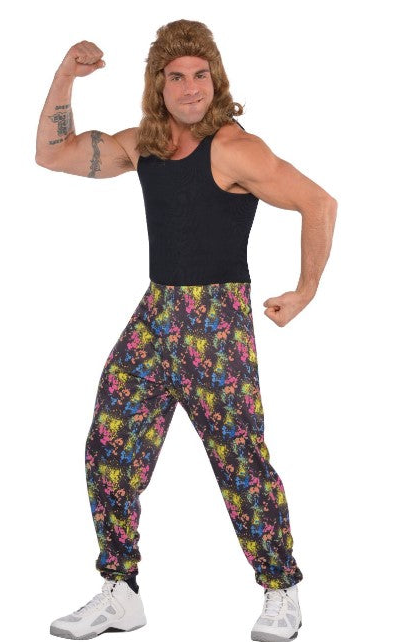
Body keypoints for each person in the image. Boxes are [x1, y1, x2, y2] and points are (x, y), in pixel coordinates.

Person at [36, 19, 337, 642]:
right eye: (176, 76)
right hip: (156, 317)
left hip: (216, 325)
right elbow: (52, 153)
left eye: (200, 75)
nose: (191, 87)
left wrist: (305, 290)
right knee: (109, 447)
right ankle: (120, 592)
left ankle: (281, 590)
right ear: (159, 84)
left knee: (241, 461)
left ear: (215, 79)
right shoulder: (142, 146)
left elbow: (319, 202)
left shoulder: (234, 148)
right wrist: (66, 75)